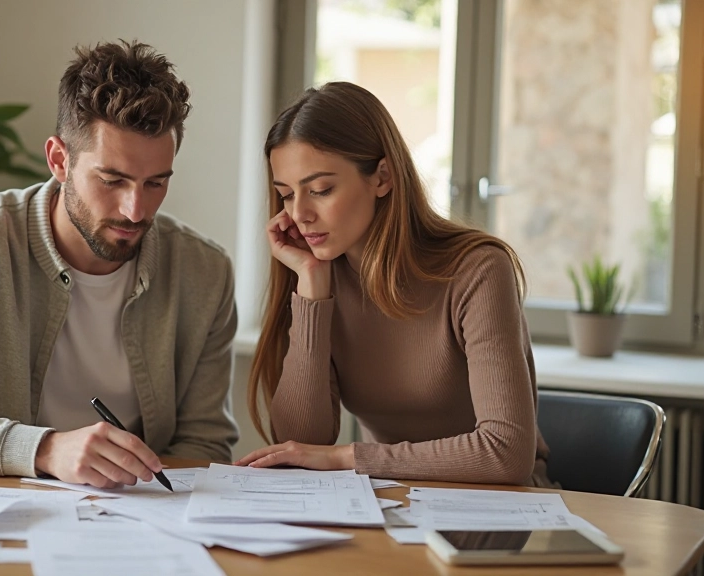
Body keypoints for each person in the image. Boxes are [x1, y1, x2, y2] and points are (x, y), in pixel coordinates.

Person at [0, 40, 239, 488]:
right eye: (112, 180)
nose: (136, 210)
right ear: (59, 160)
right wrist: (44, 449)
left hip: (139, 521)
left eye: (155, 183)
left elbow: (204, 446)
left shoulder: (204, 271)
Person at [235, 82, 552, 486]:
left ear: (382, 177)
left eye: (320, 190)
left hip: (499, 509)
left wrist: (347, 457)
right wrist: (312, 288)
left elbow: (505, 455)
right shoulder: (320, 276)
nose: (300, 214)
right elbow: (301, 445)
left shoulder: (478, 270)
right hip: (393, 502)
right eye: (285, 195)